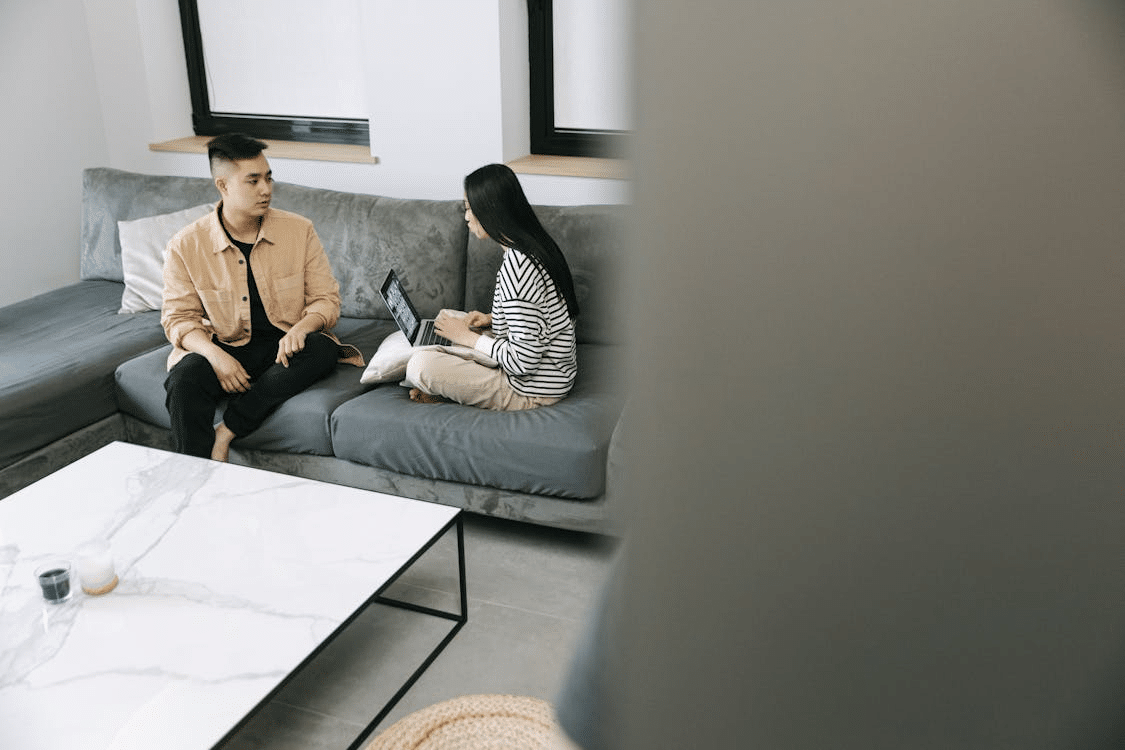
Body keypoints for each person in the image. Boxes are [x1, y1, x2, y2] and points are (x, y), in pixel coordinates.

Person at [161, 133, 362, 461]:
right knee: (184, 380)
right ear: (223, 185)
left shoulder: (299, 231)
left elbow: (326, 299)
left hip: (283, 347)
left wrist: (302, 328)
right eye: (252, 181)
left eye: (268, 178)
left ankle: (226, 431)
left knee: (322, 349)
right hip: (223, 345)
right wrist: (215, 356)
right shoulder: (186, 245)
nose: (266, 189)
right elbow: (179, 319)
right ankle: (194, 481)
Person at [406, 163, 579, 410]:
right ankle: (454, 380)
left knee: (420, 365)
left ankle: (451, 386)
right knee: (447, 318)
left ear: (490, 210)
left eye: (469, 208)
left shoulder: (518, 270)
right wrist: (490, 319)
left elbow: (523, 362)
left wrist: (467, 339)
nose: (466, 216)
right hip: (552, 373)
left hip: (530, 388)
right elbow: (539, 315)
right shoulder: (532, 244)